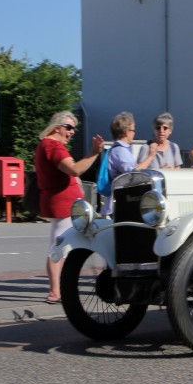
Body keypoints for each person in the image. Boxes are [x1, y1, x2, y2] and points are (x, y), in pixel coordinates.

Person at [34, 111, 104, 304]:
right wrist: (94, 153)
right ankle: (56, 291)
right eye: (69, 127)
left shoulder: (47, 145)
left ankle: (57, 290)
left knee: (60, 246)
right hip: (64, 205)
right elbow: (75, 169)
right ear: (58, 127)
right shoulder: (53, 146)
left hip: (63, 204)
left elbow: (71, 172)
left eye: (74, 128)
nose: (72, 132)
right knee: (59, 248)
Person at [99, 112, 157, 216]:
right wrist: (150, 156)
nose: (134, 133)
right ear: (126, 131)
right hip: (120, 205)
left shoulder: (118, 150)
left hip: (120, 203)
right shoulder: (120, 151)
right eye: (133, 130)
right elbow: (133, 174)